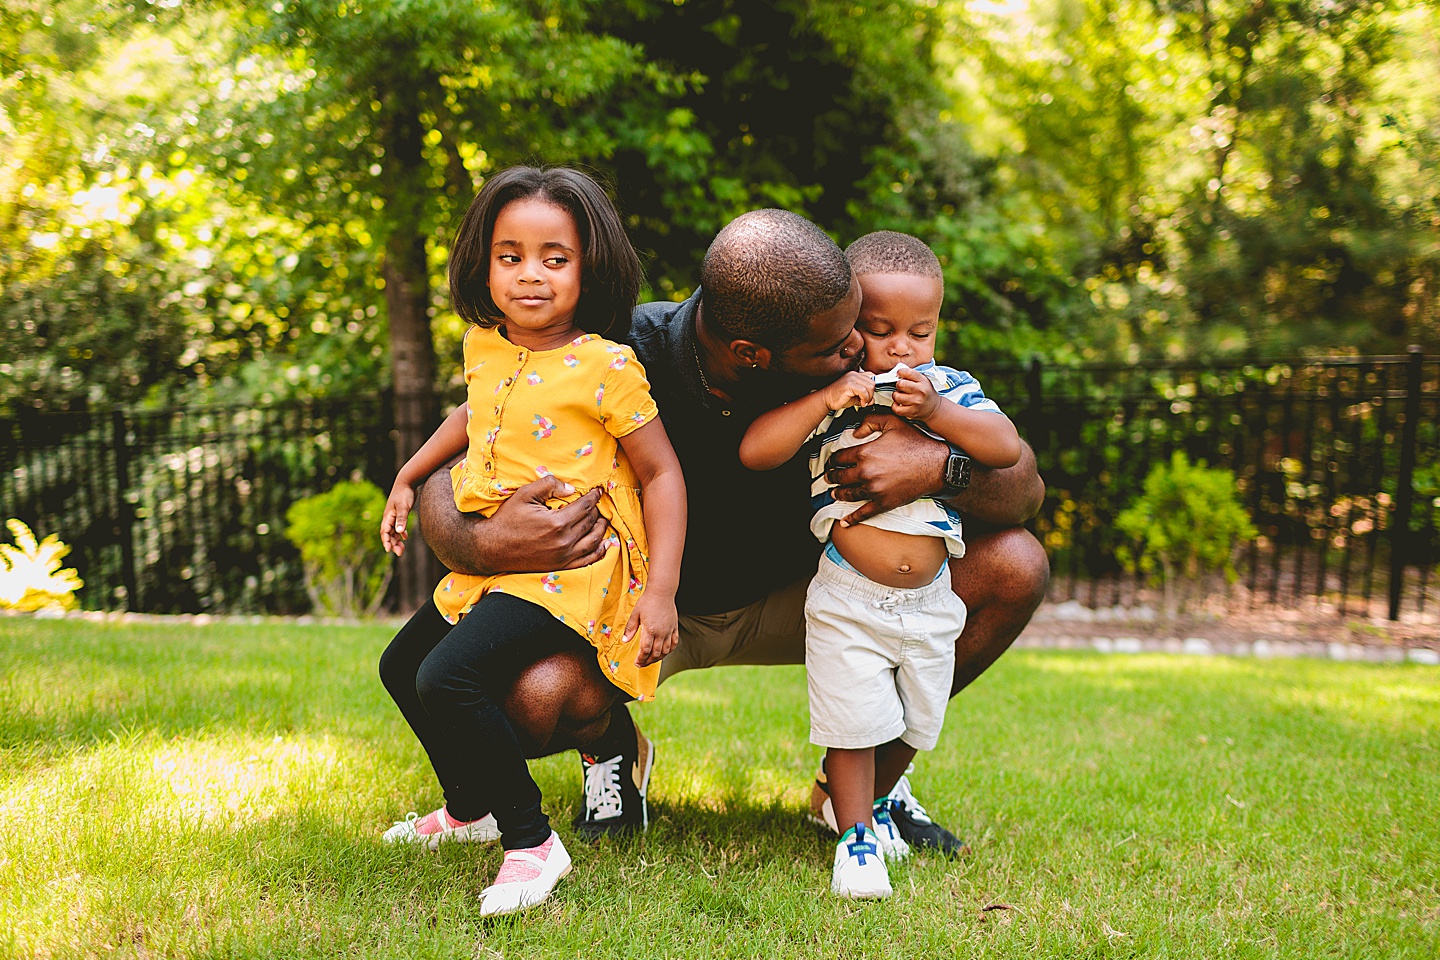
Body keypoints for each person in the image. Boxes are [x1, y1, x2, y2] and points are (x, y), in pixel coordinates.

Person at [415, 207, 1049, 855]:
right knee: (528, 702)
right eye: (840, 344)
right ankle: (610, 747)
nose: (859, 347)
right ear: (753, 355)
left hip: (816, 594)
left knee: (1015, 564)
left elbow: (1024, 487)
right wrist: (481, 541)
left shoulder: (860, 354)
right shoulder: (618, 353)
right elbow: (451, 458)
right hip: (650, 612)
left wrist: (938, 465)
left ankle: (867, 783)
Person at [375, 166, 686, 917]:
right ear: (483, 263)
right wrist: (410, 476)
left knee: (447, 677)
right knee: (402, 665)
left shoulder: (607, 365)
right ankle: (469, 807)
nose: (530, 275)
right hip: (501, 564)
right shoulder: (484, 345)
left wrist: (661, 592)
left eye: (555, 258)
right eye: (510, 256)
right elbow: (470, 415)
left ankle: (530, 840)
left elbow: (664, 475)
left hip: (571, 569)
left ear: (590, 268)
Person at [738, 230, 1021, 898]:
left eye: (920, 332)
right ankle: (855, 839)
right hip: (847, 590)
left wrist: (940, 412)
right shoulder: (834, 388)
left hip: (930, 600)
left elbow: (1004, 447)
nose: (901, 348)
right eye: (880, 329)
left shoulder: (949, 387)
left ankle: (862, 803)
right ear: (848, 327)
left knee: (917, 718)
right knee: (852, 716)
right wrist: (824, 401)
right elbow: (756, 450)